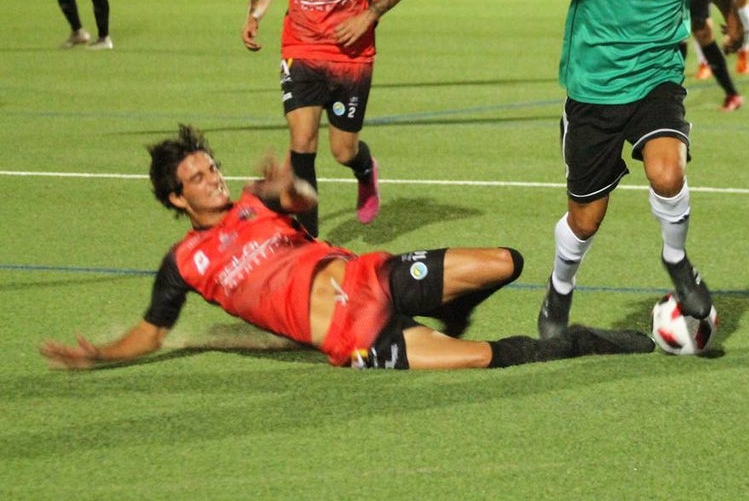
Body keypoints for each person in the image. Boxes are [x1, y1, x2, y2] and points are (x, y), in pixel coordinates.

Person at [38, 125, 654, 371]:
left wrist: (290, 187)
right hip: (355, 336)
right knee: (485, 359)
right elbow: (150, 332)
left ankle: (451, 306)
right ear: (176, 199)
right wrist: (101, 355)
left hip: (373, 276)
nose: (213, 179)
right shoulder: (184, 264)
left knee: (506, 262)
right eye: (198, 179)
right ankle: (588, 343)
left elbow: (304, 198)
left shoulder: (256, 202)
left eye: (212, 167)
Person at [528, 0, 742, 339]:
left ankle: (677, 262)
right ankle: (559, 290)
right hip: (594, 88)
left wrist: (733, 18)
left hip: (656, 82)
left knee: (668, 174)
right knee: (585, 221)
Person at [242, 0, 415, 237]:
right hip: (300, 47)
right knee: (301, 143)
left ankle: (364, 169)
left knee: (342, 151)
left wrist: (368, 16)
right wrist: (254, 16)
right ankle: (308, 242)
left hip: (350, 54)